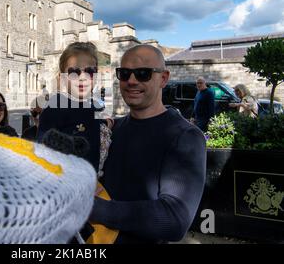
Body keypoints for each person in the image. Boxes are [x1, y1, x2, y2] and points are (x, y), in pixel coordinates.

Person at [89, 44, 206, 244]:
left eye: (143, 73)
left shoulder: (185, 136)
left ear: (164, 78)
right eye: (124, 73)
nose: (131, 81)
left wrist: (92, 208)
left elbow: (174, 219)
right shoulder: (112, 129)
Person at [36, 42, 112, 172]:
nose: (83, 77)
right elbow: (43, 150)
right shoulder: (56, 107)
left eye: (90, 71)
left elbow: (92, 124)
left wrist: (106, 123)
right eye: (73, 72)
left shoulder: (93, 104)